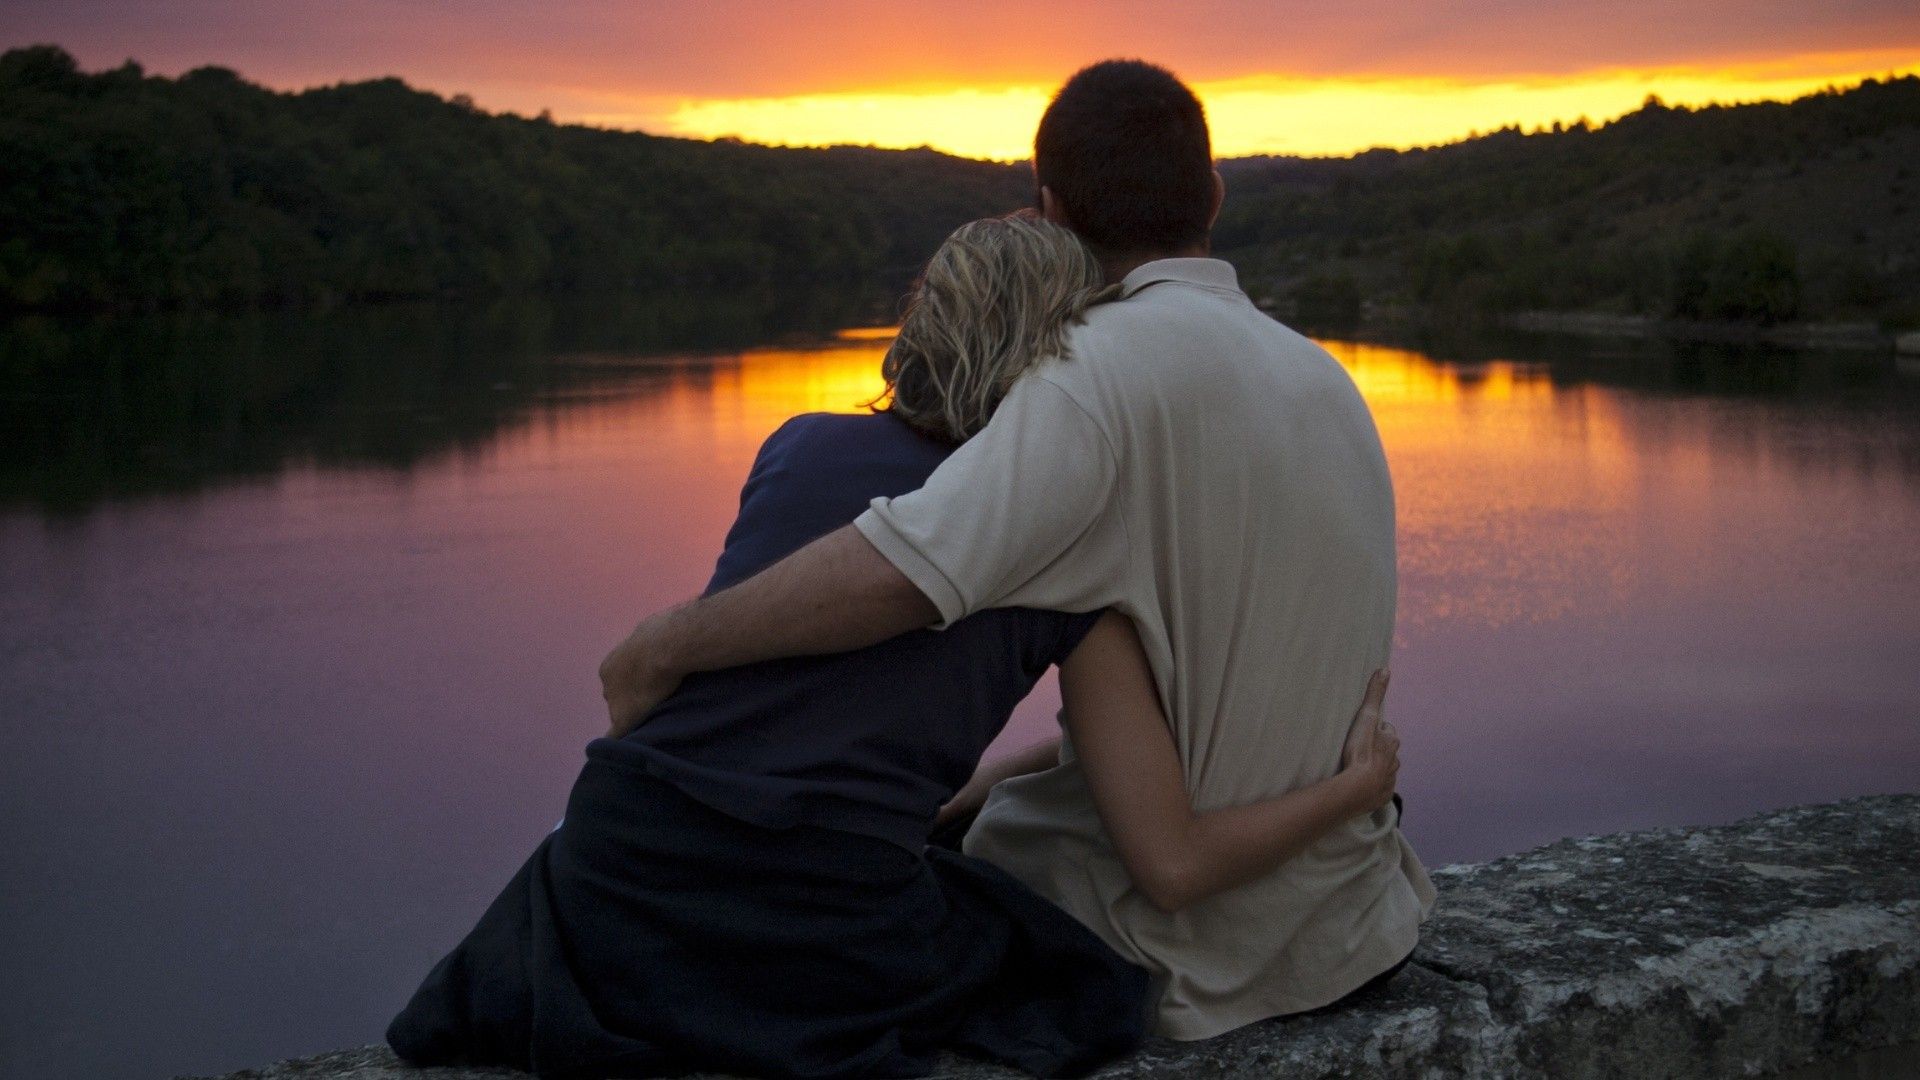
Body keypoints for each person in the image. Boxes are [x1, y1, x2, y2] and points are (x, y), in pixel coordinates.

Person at [389, 213, 1405, 1080]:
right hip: (812, 917)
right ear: (1067, 356)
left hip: (614, 864)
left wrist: (954, 800)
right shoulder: (1064, 541)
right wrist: (1354, 788)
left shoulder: (796, 445)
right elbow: (1170, 858)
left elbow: (808, 711)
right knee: (1073, 976)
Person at [598, 59, 1438, 1041]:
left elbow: (903, 568)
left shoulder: (1091, 375)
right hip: (1351, 926)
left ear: (1046, 208)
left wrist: (667, 646)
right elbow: (1193, 717)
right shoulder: (1327, 381)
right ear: (1212, 192)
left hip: (1188, 959)